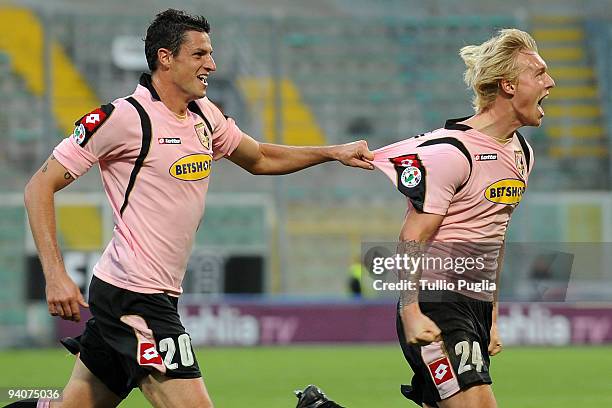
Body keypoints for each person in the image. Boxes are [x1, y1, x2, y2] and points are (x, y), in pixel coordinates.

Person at [20, 9, 374, 408]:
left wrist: (332, 152)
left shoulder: (204, 115)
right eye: (200, 54)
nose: (212, 64)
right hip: (134, 295)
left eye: (211, 53)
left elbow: (259, 158)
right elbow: (39, 187)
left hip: (153, 293)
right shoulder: (124, 118)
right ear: (165, 58)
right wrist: (55, 274)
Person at [369, 29, 555, 407]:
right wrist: (411, 313)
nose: (550, 82)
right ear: (507, 85)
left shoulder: (522, 153)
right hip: (436, 301)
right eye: (539, 74)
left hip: (476, 306)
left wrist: (493, 315)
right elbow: (412, 236)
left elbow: (495, 237)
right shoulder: (452, 152)